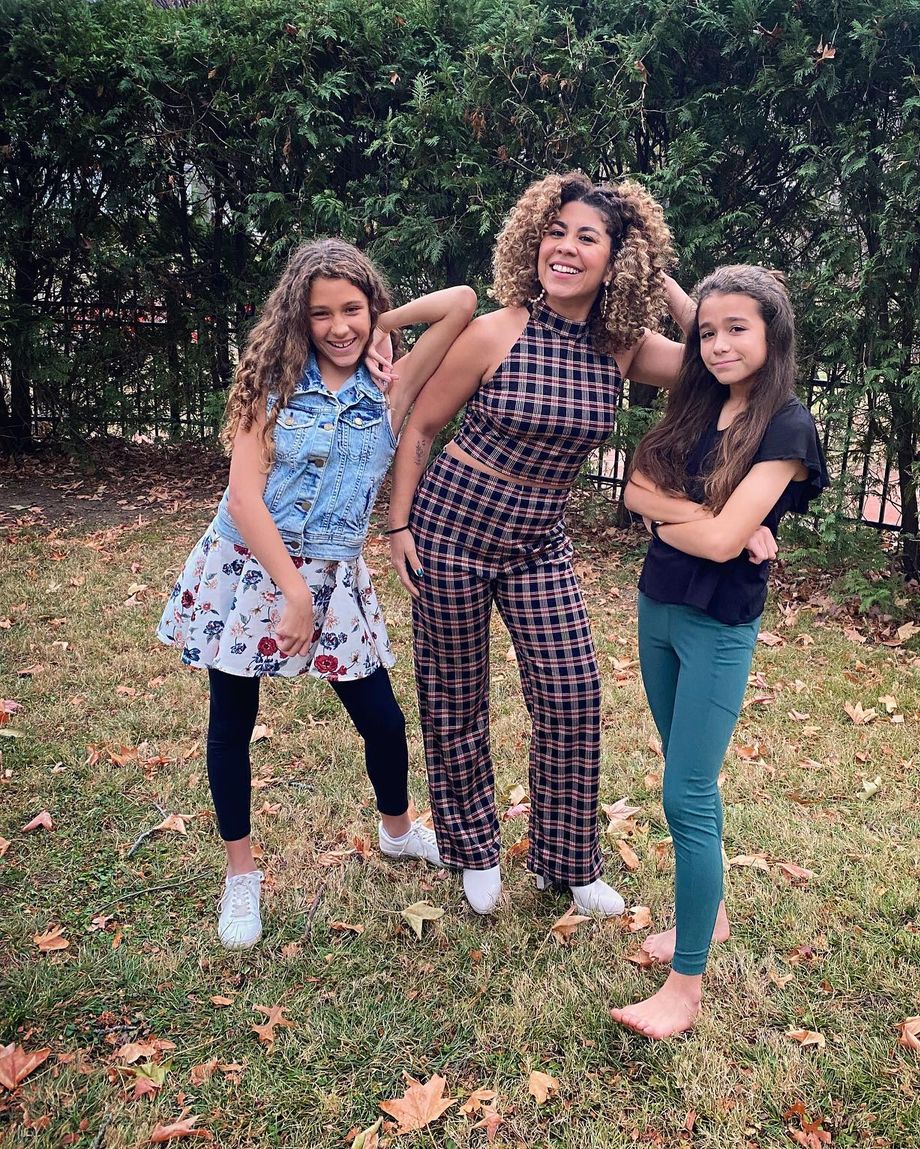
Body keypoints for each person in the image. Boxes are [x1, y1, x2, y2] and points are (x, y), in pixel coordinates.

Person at [386, 172, 692, 917]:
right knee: (454, 693)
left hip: (537, 543)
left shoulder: (622, 348)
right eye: (555, 232)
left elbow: (708, 362)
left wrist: (659, 276)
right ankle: (473, 848)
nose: (565, 248)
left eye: (588, 237)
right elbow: (422, 425)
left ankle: (569, 860)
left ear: (616, 258)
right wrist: (397, 524)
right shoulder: (497, 330)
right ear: (533, 241)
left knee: (572, 692)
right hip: (451, 528)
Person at [157, 238, 476, 949]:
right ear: (297, 318)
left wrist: (385, 327)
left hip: (336, 576)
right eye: (321, 313)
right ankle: (241, 875)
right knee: (232, 720)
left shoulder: (390, 388)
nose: (339, 327)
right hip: (251, 568)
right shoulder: (270, 384)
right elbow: (244, 497)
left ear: (372, 308)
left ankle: (397, 830)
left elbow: (461, 302)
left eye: (352, 310)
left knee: (383, 721)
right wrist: (293, 591)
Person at [610, 265, 829, 1038]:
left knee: (686, 792)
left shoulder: (787, 427)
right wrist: (711, 522)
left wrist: (702, 524)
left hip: (717, 624)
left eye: (738, 328)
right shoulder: (698, 402)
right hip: (657, 607)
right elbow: (634, 491)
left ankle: (686, 986)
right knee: (684, 771)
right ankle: (716, 912)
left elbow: (719, 540)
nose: (719, 343)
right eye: (707, 331)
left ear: (773, 334)